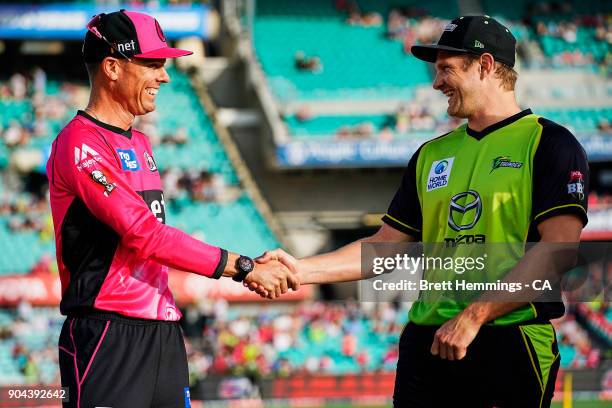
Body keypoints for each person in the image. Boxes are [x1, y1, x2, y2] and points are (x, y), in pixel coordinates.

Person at [254, 16, 589, 407]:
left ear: (484, 66)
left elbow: (559, 251)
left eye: (447, 69)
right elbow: (386, 246)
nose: (436, 83)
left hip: (508, 337)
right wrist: (300, 270)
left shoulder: (549, 143)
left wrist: (473, 317)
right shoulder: (431, 155)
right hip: (426, 343)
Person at [46, 10, 298, 408]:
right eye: (152, 63)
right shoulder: (81, 144)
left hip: (163, 330)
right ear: (112, 67)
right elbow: (144, 234)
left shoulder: (140, 144)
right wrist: (245, 267)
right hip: (109, 333)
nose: (164, 76)